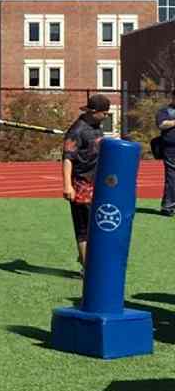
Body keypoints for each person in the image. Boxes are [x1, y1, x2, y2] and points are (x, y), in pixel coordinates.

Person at [62, 93, 109, 275]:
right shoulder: (76, 131)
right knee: (84, 228)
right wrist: (68, 185)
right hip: (81, 183)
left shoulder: (96, 127)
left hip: (97, 183)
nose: (106, 116)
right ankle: (87, 268)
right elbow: (68, 159)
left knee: (96, 225)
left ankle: (86, 258)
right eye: (104, 113)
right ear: (94, 112)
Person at [155, 88, 175, 217]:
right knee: (172, 177)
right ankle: (168, 206)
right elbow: (161, 124)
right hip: (171, 149)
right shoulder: (165, 111)